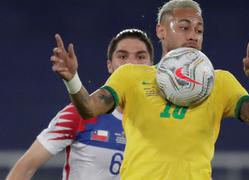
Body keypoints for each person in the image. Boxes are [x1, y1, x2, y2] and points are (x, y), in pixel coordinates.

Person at [50, 0, 249, 179]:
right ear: (161, 30)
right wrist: (72, 80)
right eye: (184, 27)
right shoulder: (131, 76)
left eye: (199, 29)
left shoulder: (220, 81)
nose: (193, 35)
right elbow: (89, 108)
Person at [6, 28, 154, 180]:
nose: (130, 64)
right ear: (110, 65)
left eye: (140, 57)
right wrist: (72, 80)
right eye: (122, 56)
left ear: (152, 66)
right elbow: (25, 168)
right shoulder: (78, 114)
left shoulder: (161, 120)